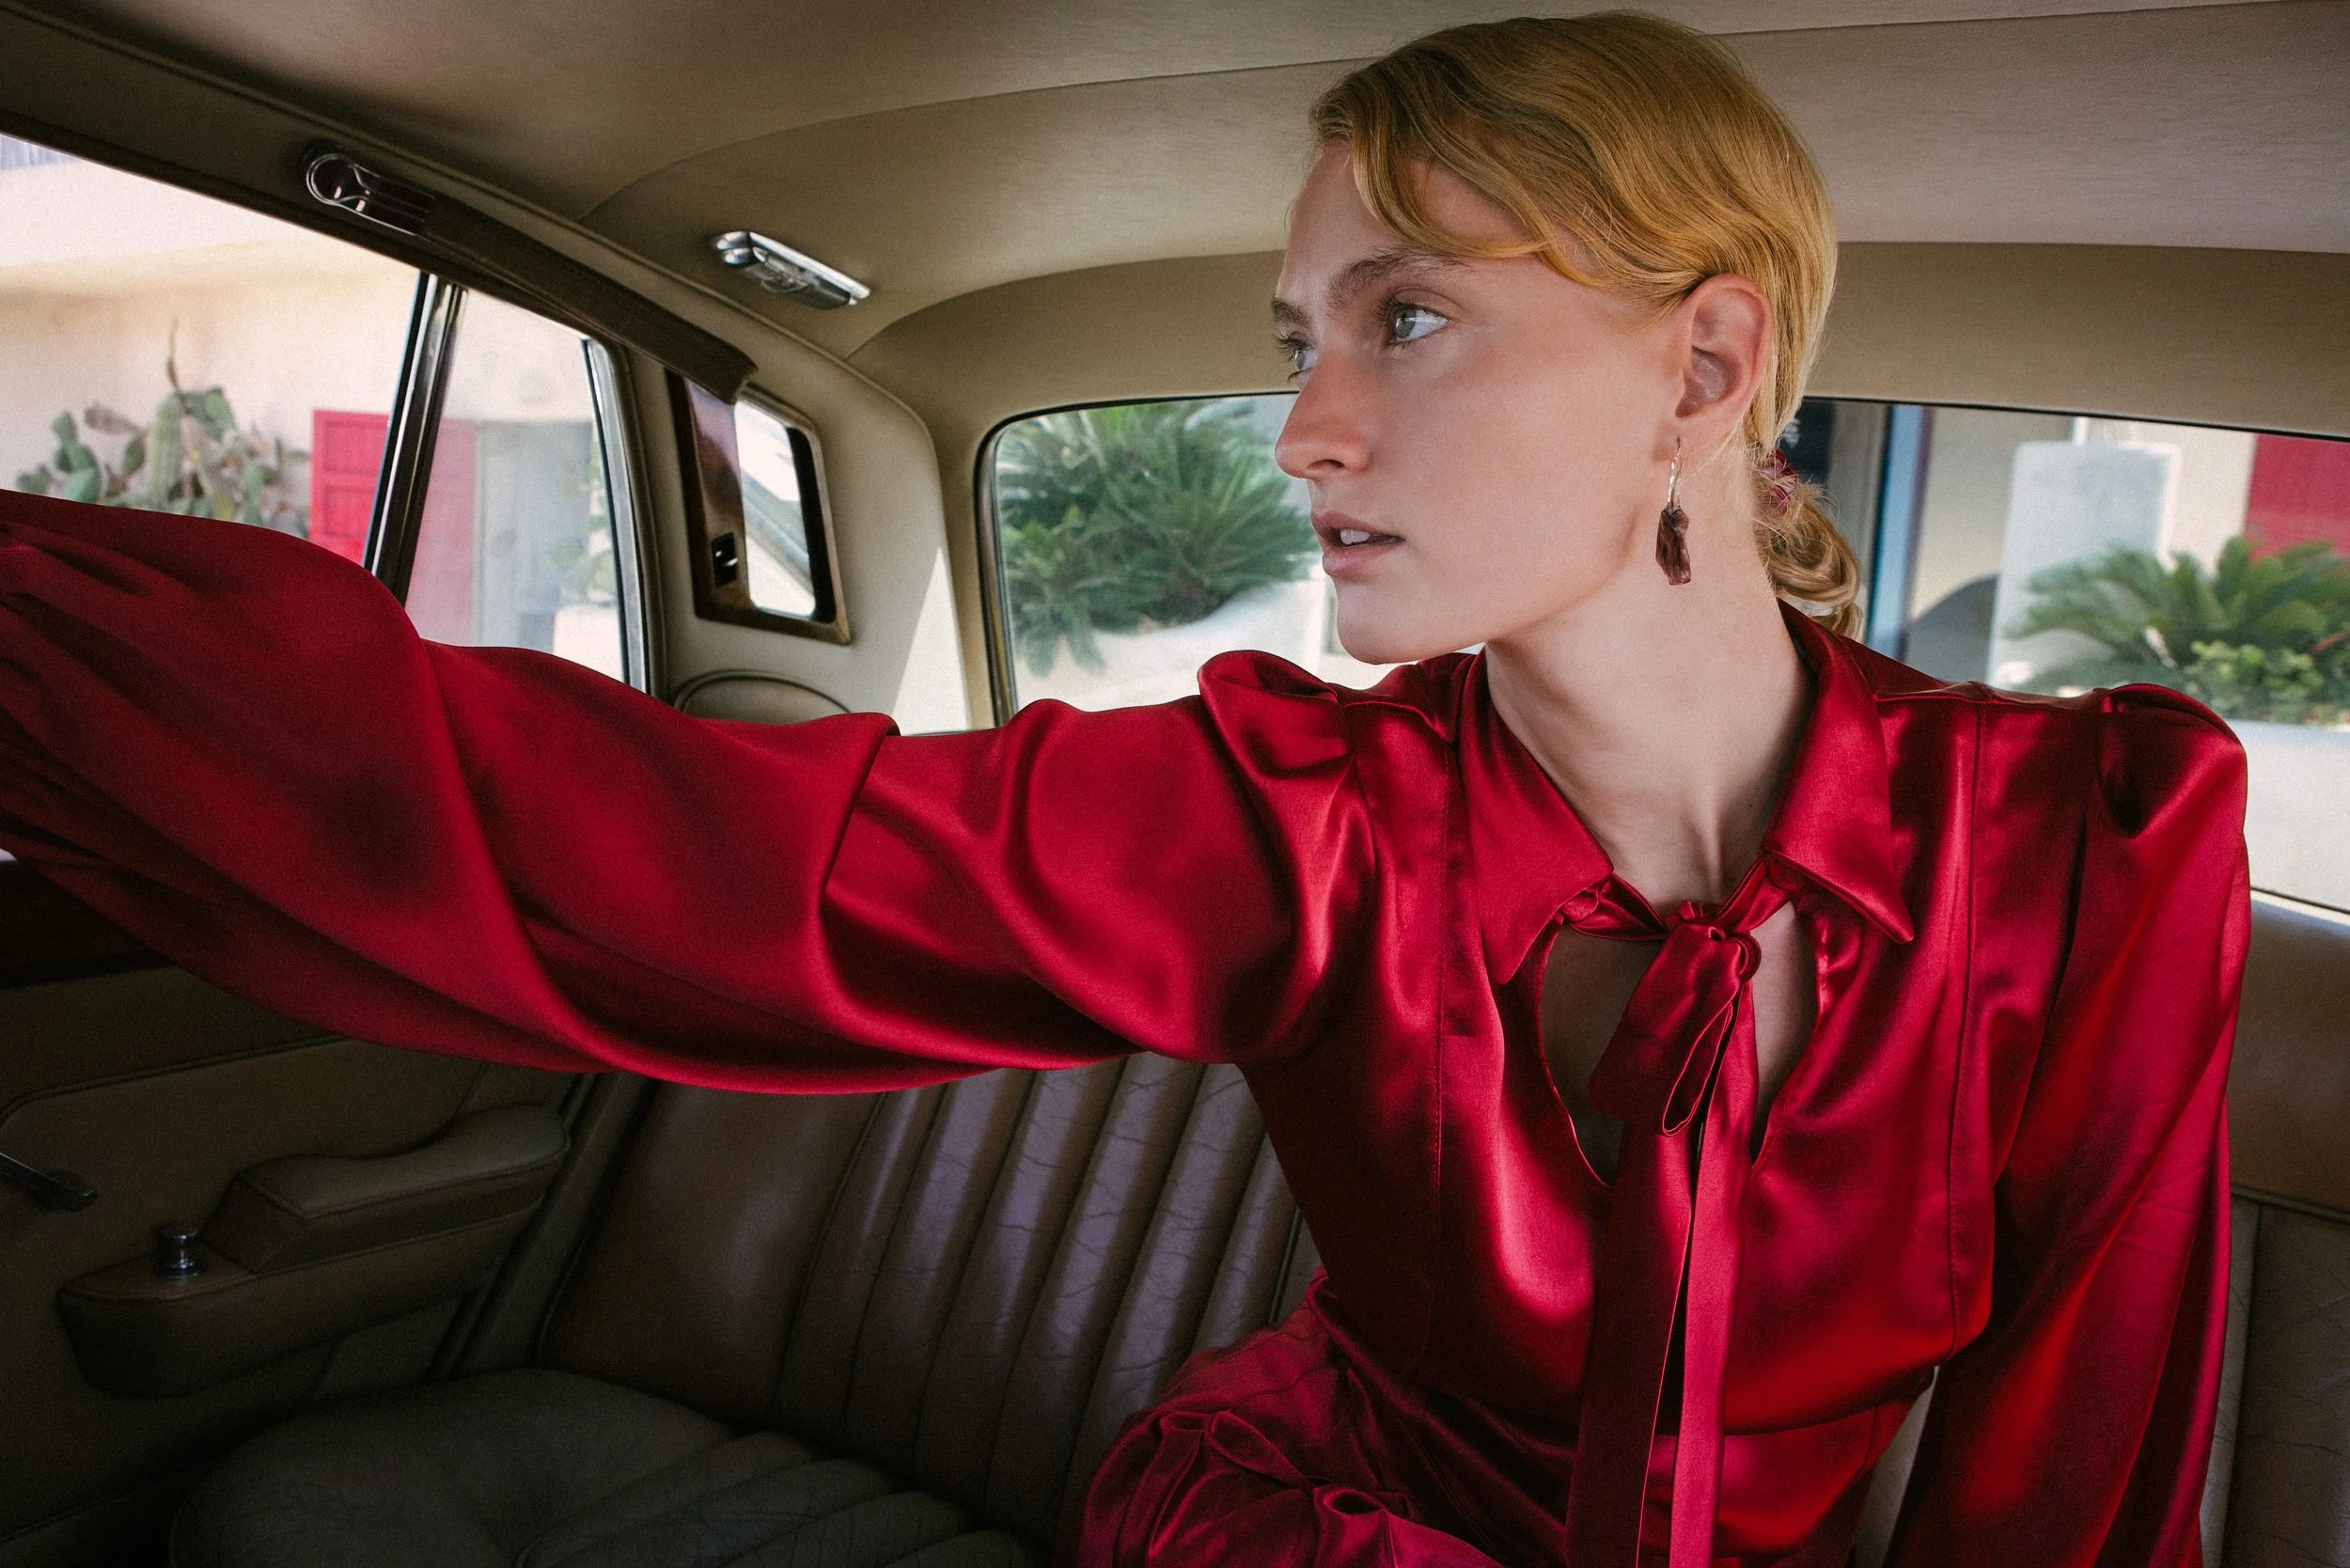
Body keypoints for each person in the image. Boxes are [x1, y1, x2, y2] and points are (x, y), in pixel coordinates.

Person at [0, 13, 2246, 1567]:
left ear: (1708, 356)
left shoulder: (2091, 846)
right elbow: (632, 859)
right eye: (1298, 340)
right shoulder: (1303, 814)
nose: (1302, 432)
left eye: (1409, 317)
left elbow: (2075, 1497)